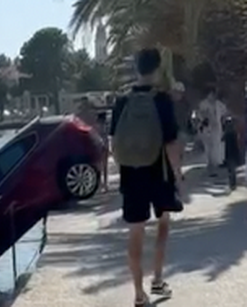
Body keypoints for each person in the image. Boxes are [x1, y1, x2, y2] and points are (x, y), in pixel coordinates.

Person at [110, 48, 183, 307]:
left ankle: (139, 294)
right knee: (163, 223)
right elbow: (172, 143)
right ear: (157, 69)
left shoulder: (121, 101)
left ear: (137, 69)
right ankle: (158, 279)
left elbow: (113, 143)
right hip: (159, 172)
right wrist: (178, 175)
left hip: (132, 175)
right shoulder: (162, 100)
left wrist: (124, 167)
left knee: (135, 231)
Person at [197, 90, 228, 176]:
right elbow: (199, 115)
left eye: (213, 95)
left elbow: (225, 112)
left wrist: (223, 122)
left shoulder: (219, 104)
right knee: (208, 147)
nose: (212, 96)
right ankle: (209, 164)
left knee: (215, 147)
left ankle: (214, 166)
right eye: (210, 94)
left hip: (216, 128)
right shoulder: (203, 104)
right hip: (206, 128)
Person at [96, 112, 109, 192]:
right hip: (103, 146)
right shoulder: (104, 127)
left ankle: (102, 183)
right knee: (104, 166)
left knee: (100, 166)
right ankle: (104, 183)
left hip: (100, 147)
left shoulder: (97, 127)